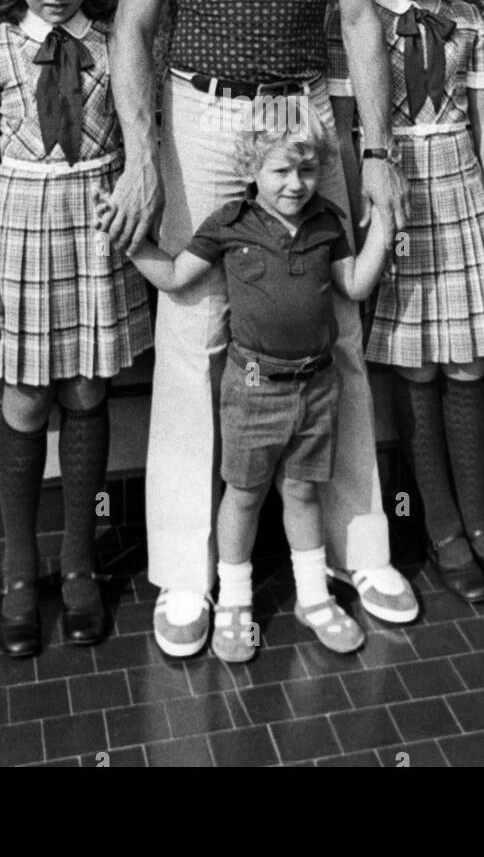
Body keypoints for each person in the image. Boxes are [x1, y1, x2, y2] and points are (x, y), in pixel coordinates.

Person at [99, 0, 419, 657]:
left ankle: (362, 553)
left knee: (336, 327)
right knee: (193, 326)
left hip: (301, 120)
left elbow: (361, 24)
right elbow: (132, 32)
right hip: (200, 119)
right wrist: (141, 151)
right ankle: (187, 577)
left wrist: (376, 152)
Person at [124, 105, 392, 661]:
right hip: (252, 390)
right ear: (252, 168)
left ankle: (314, 597)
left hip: (317, 388)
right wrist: (130, 241)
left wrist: (384, 228)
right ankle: (236, 602)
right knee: (242, 496)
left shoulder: (325, 224)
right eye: (280, 172)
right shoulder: (230, 223)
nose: (296, 184)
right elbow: (175, 277)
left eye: (308, 171)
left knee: (302, 492)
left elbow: (356, 287)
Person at [327, 0, 484, 603]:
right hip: (395, 191)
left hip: (459, 189)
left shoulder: (465, 22)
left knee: (470, 365)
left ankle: (481, 526)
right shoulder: (358, 20)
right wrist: (364, 217)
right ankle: (442, 532)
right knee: (416, 369)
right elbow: (348, 132)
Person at [0, 0, 152, 658]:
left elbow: (145, 139)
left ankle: (78, 564)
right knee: (27, 396)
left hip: (96, 228)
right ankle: (16, 567)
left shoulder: (112, 46)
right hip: (19, 230)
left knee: (85, 392)